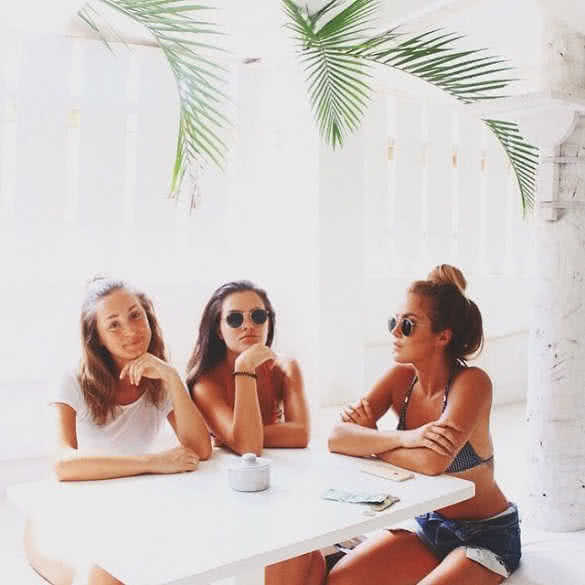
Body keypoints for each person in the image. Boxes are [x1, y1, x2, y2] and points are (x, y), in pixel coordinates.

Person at [326, 265, 521, 585]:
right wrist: (408, 438)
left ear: (443, 336)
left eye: (407, 326)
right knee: (340, 580)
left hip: (486, 535)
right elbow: (337, 437)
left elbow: (432, 462)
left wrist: (372, 440)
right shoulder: (400, 378)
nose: (393, 333)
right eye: (394, 322)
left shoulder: (471, 383)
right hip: (429, 525)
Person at [25, 277, 212, 585]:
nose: (131, 329)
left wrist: (171, 377)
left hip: (124, 508)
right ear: (97, 336)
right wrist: (152, 462)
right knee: (104, 578)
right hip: (63, 513)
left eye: (136, 315)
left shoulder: (157, 375)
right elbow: (62, 464)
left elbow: (201, 450)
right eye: (113, 324)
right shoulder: (72, 379)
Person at [186, 280, 322, 584]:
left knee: (308, 560)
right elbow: (250, 446)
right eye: (235, 319)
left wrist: (234, 436)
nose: (248, 325)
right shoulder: (204, 382)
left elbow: (300, 435)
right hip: (230, 491)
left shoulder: (286, 368)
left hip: (283, 481)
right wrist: (244, 368)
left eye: (258, 316)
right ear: (218, 329)